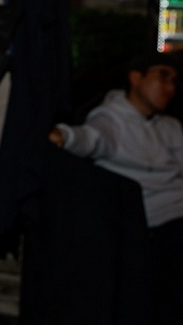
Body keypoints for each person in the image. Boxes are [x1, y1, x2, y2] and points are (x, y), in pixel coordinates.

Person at [49, 53, 183, 244]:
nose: (170, 88)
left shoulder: (171, 126)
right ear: (136, 78)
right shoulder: (112, 120)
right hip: (156, 223)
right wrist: (63, 135)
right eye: (163, 76)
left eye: (173, 81)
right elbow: (91, 138)